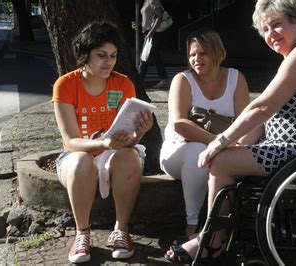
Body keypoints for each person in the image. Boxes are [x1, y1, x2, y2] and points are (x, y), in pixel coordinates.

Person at [164, 0, 296, 263]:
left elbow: (262, 107)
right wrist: (236, 143)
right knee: (227, 155)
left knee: (222, 161)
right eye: (266, 29)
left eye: (277, 25)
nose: (271, 34)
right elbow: (265, 114)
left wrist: (221, 141)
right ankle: (216, 234)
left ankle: (212, 240)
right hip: (289, 144)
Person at [51, 21, 153, 263]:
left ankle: (121, 230)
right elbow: (71, 141)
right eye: (101, 55)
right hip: (77, 155)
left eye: (113, 55)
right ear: (85, 55)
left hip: (114, 152)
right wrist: (104, 144)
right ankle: (82, 233)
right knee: (80, 161)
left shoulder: (122, 83)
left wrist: (140, 133)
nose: (109, 62)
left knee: (130, 156)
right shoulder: (66, 84)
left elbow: (127, 139)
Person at [159, 28, 252, 241]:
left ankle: (228, 227)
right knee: (198, 151)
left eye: (202, 53)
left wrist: (225, 145)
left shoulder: (236, 78)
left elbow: (245, 120)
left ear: (216, 52)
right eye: (192, 54)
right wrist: (219, 142)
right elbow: (179, 124)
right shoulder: (182, 80)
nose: (196, 59)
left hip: (222, 149)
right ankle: (192, 226)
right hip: (179, 151)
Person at [136, 0, 170, 88]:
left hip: (153, 34)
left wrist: (152, 32)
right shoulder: (145, 2)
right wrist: (139, 24)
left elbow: (159, 16)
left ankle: (138, 83)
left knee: (144, 57)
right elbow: (149, 19)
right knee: (155, 57)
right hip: (148, 32)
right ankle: (165, 79)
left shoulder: (153, 0)